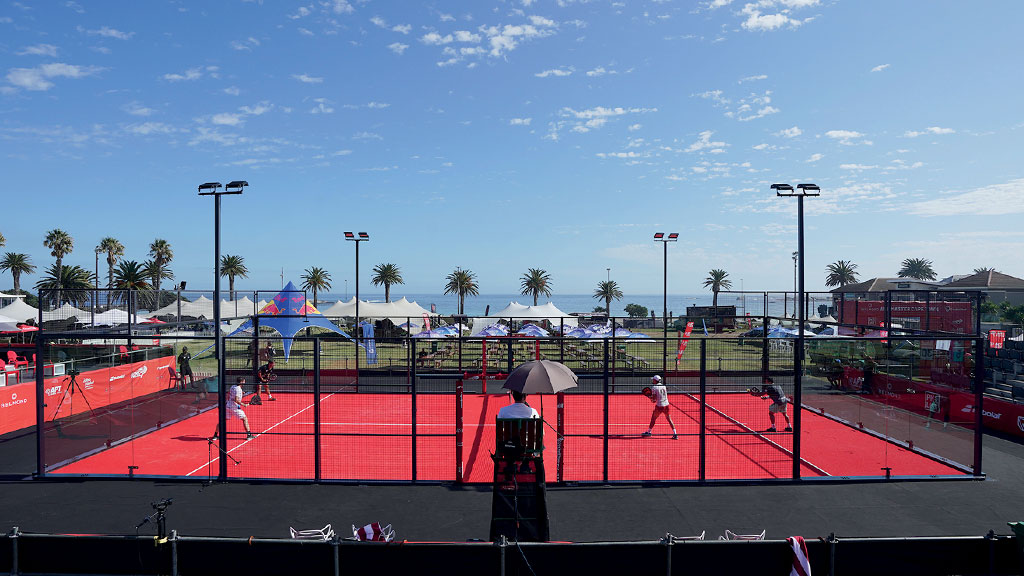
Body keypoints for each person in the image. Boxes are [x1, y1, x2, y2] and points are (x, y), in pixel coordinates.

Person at [642, 375, 677, 439]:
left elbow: (654, 400)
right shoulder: (663, 386)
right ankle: (675, 433)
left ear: (655, 380)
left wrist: (649, 397)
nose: (652, 381)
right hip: (666, 405)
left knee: (653, 419)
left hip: (659, 406)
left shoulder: (654, 387)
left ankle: (649, 432)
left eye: (653, 380)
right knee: (669, 419)